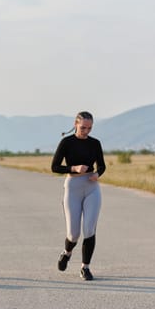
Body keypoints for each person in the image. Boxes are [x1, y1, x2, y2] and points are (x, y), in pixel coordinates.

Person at [51, 111, 106, 281]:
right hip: (73, 186)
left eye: (89, 128)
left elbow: (102, 166)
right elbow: (55, 167)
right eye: (83, 128)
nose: (86, 131)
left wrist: (97, 174)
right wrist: (74, 168)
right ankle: (67, 252)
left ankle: (85, 267)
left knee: (89, 229)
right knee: (73, 234)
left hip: (91, 187)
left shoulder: (95, 143)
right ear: (76, 124)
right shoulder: (66, 142)